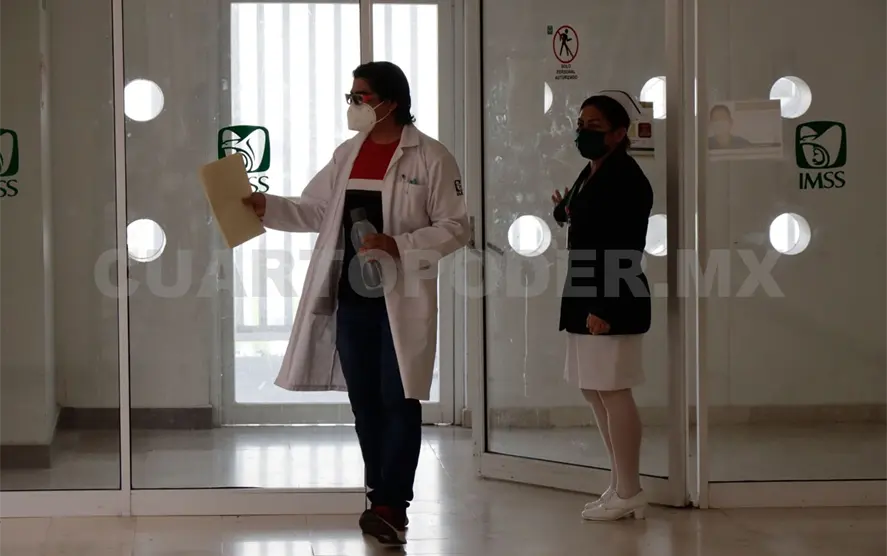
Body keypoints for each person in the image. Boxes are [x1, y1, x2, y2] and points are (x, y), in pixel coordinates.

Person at [242, 61, 469, 545]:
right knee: (365, 402)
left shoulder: (432, 157)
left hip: (399, 299)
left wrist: (399, 244)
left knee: (398, 399)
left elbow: (456, 227)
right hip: (352, 298)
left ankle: (394, 505)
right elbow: (316, 211)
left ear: (391, 101)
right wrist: (268, 206)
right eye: (352, 96)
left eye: (361, 96)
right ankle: (377, 494)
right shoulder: (349, 153)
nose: (353, 104)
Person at [552, 91, 653, 521]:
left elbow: (626, 246)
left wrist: (607, 307)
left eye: (593, 126)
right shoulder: (593, 170)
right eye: (580, 125)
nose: (583, 133)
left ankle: (630, 490)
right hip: (584, 290)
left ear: (618, 133)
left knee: (613, 389)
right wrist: (563, 211)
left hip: (611, 295)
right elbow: (581, 214)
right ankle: (619, 483)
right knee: (593, 388)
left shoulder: (626, 178)